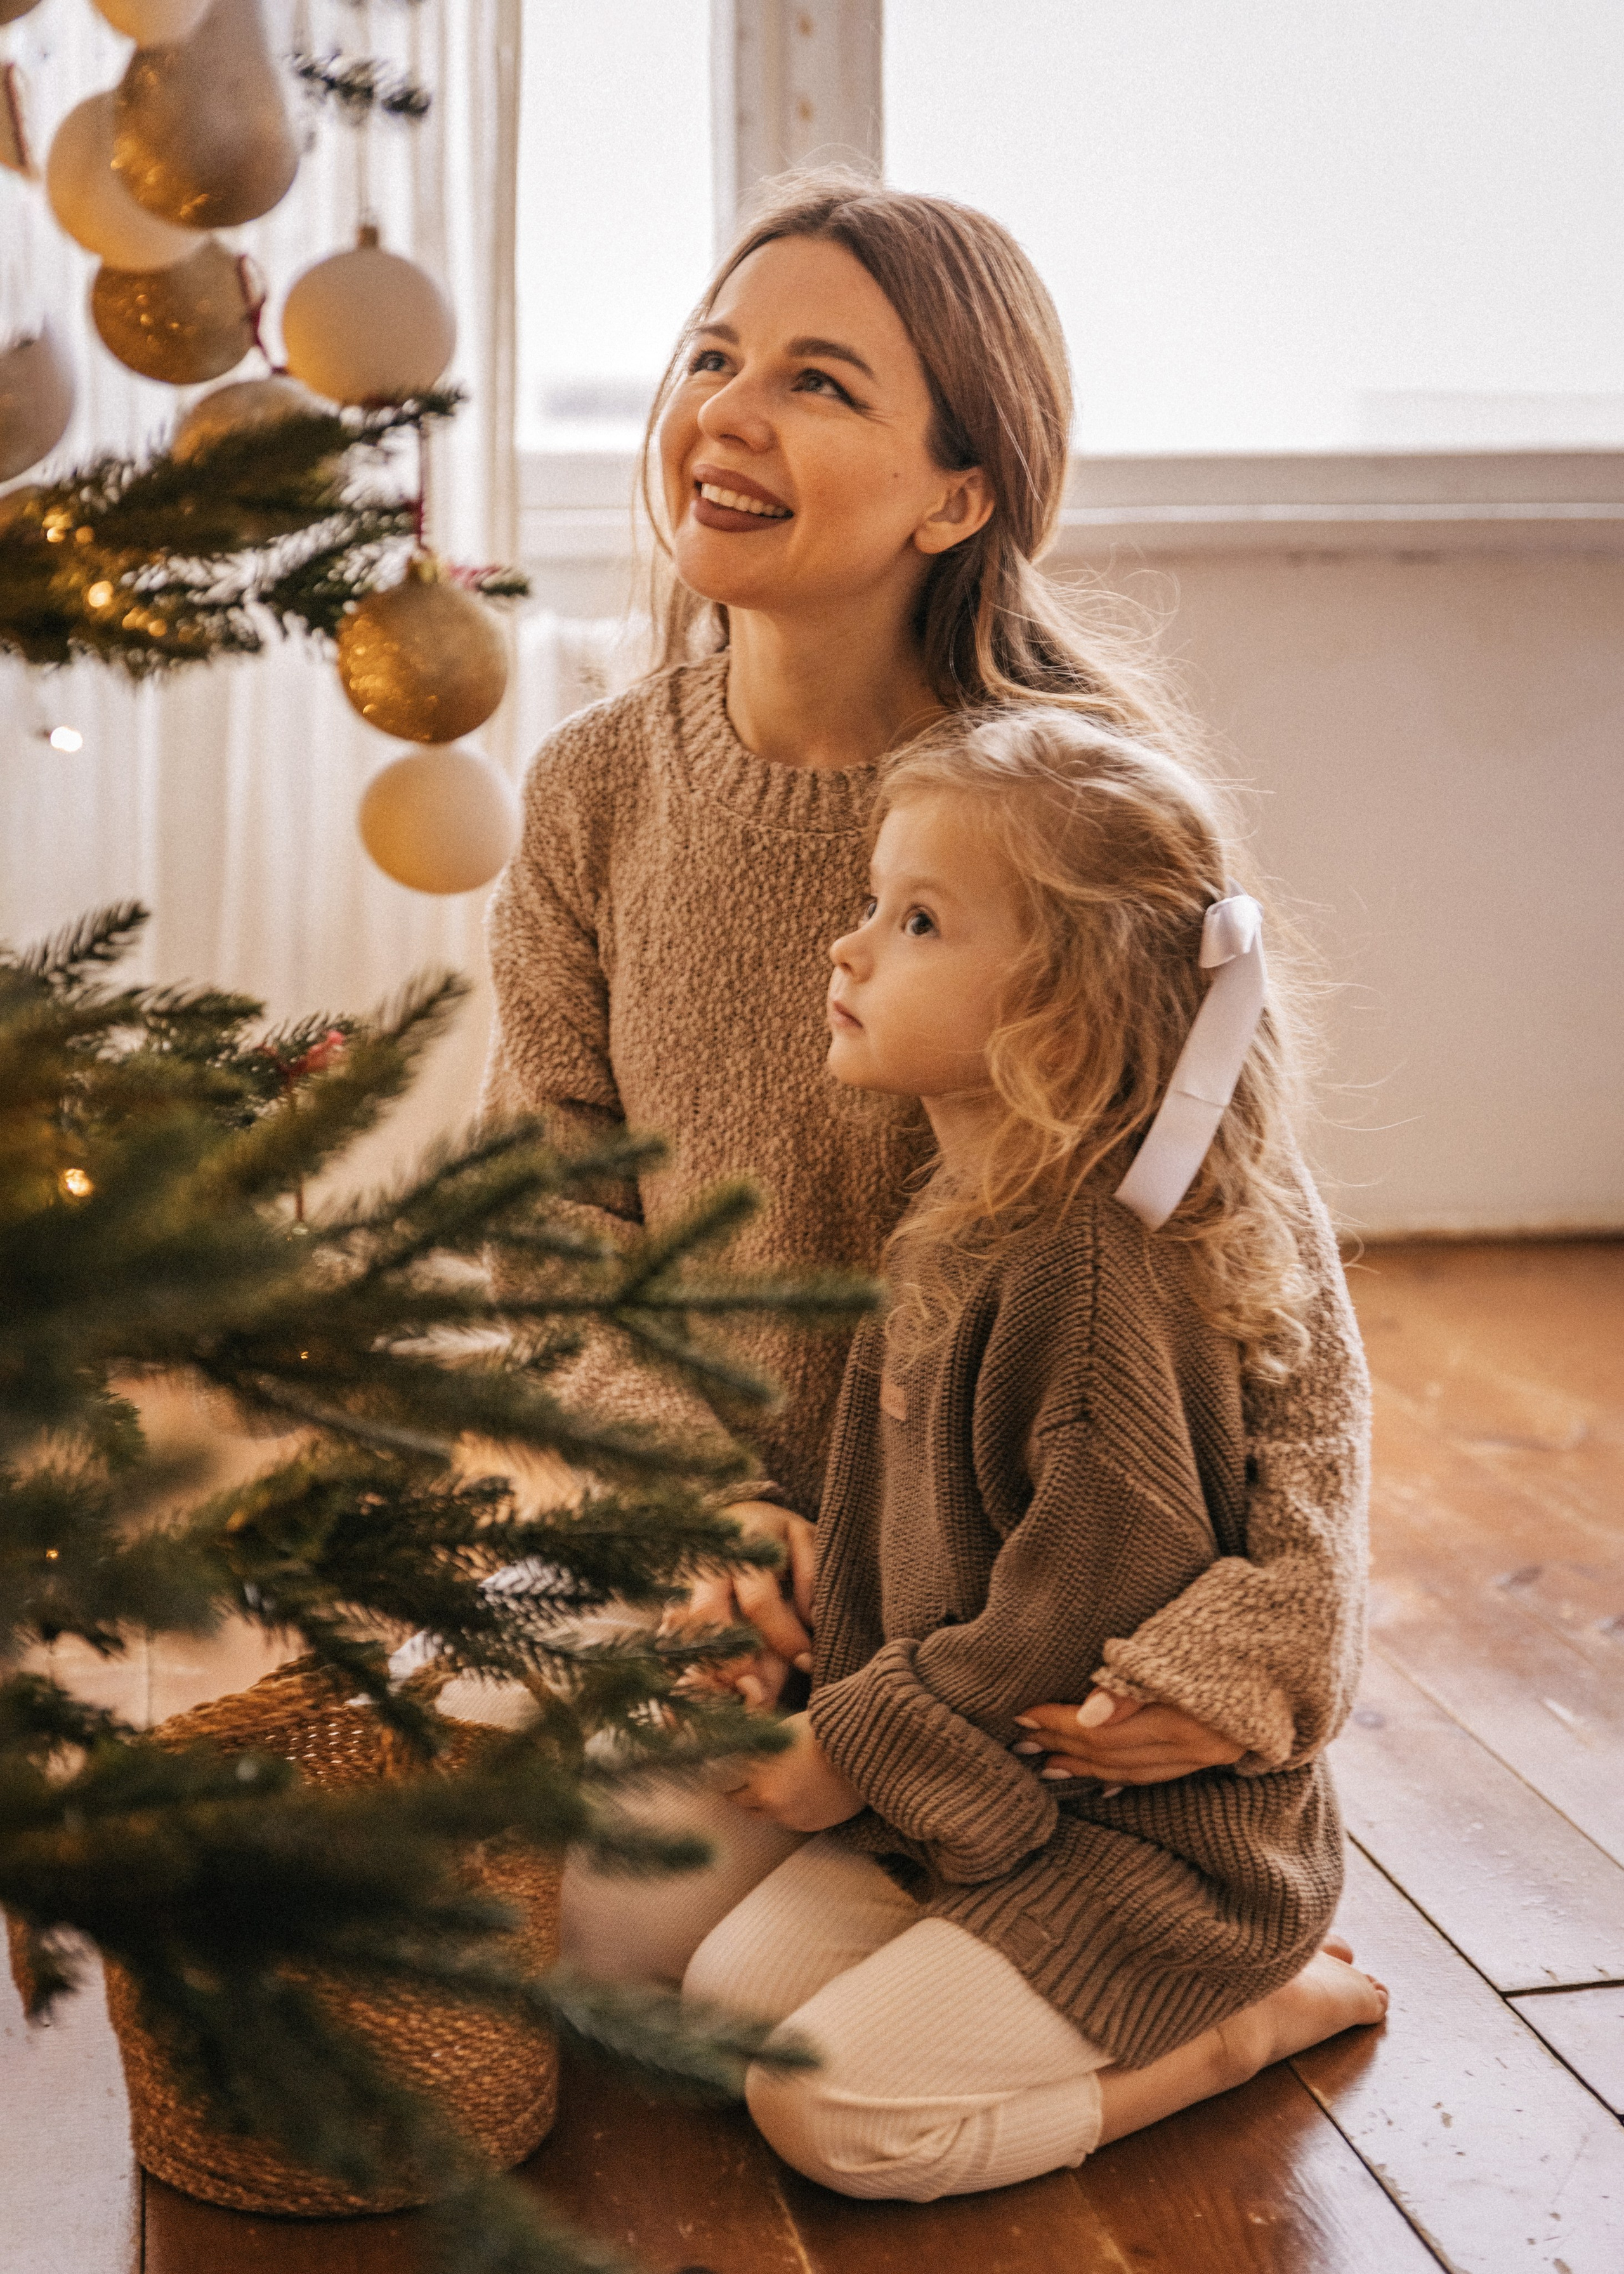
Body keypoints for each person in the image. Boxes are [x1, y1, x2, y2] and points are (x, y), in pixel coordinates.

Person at [483, 173, 1368, 1987]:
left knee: (680, 1983)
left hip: (1007, 1606)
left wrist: (1279, 1630)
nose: (727, 414)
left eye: (818, 382)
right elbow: (550, 1239)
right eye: (713, 357)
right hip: (742, 1583)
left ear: (958, 495)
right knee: (555, 1942)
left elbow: (1265, 1278)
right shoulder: (592, 791)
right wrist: (696, 1508)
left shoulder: (1075, 814)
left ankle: (1214, 1980)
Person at [670, 709, 1385, 2200]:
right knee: (725, 2005)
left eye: (916, 921)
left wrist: (847, 1751)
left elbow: (1080, 1605)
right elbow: (905, 1534)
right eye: (873, 902)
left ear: (1060, 1011)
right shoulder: (962, 1210)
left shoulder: (1087, 1266)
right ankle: (995, 1955)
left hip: (1149, 1848)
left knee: (839, 2119)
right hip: (987, 1803)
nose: (849, 947)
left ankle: (1240, 2026)